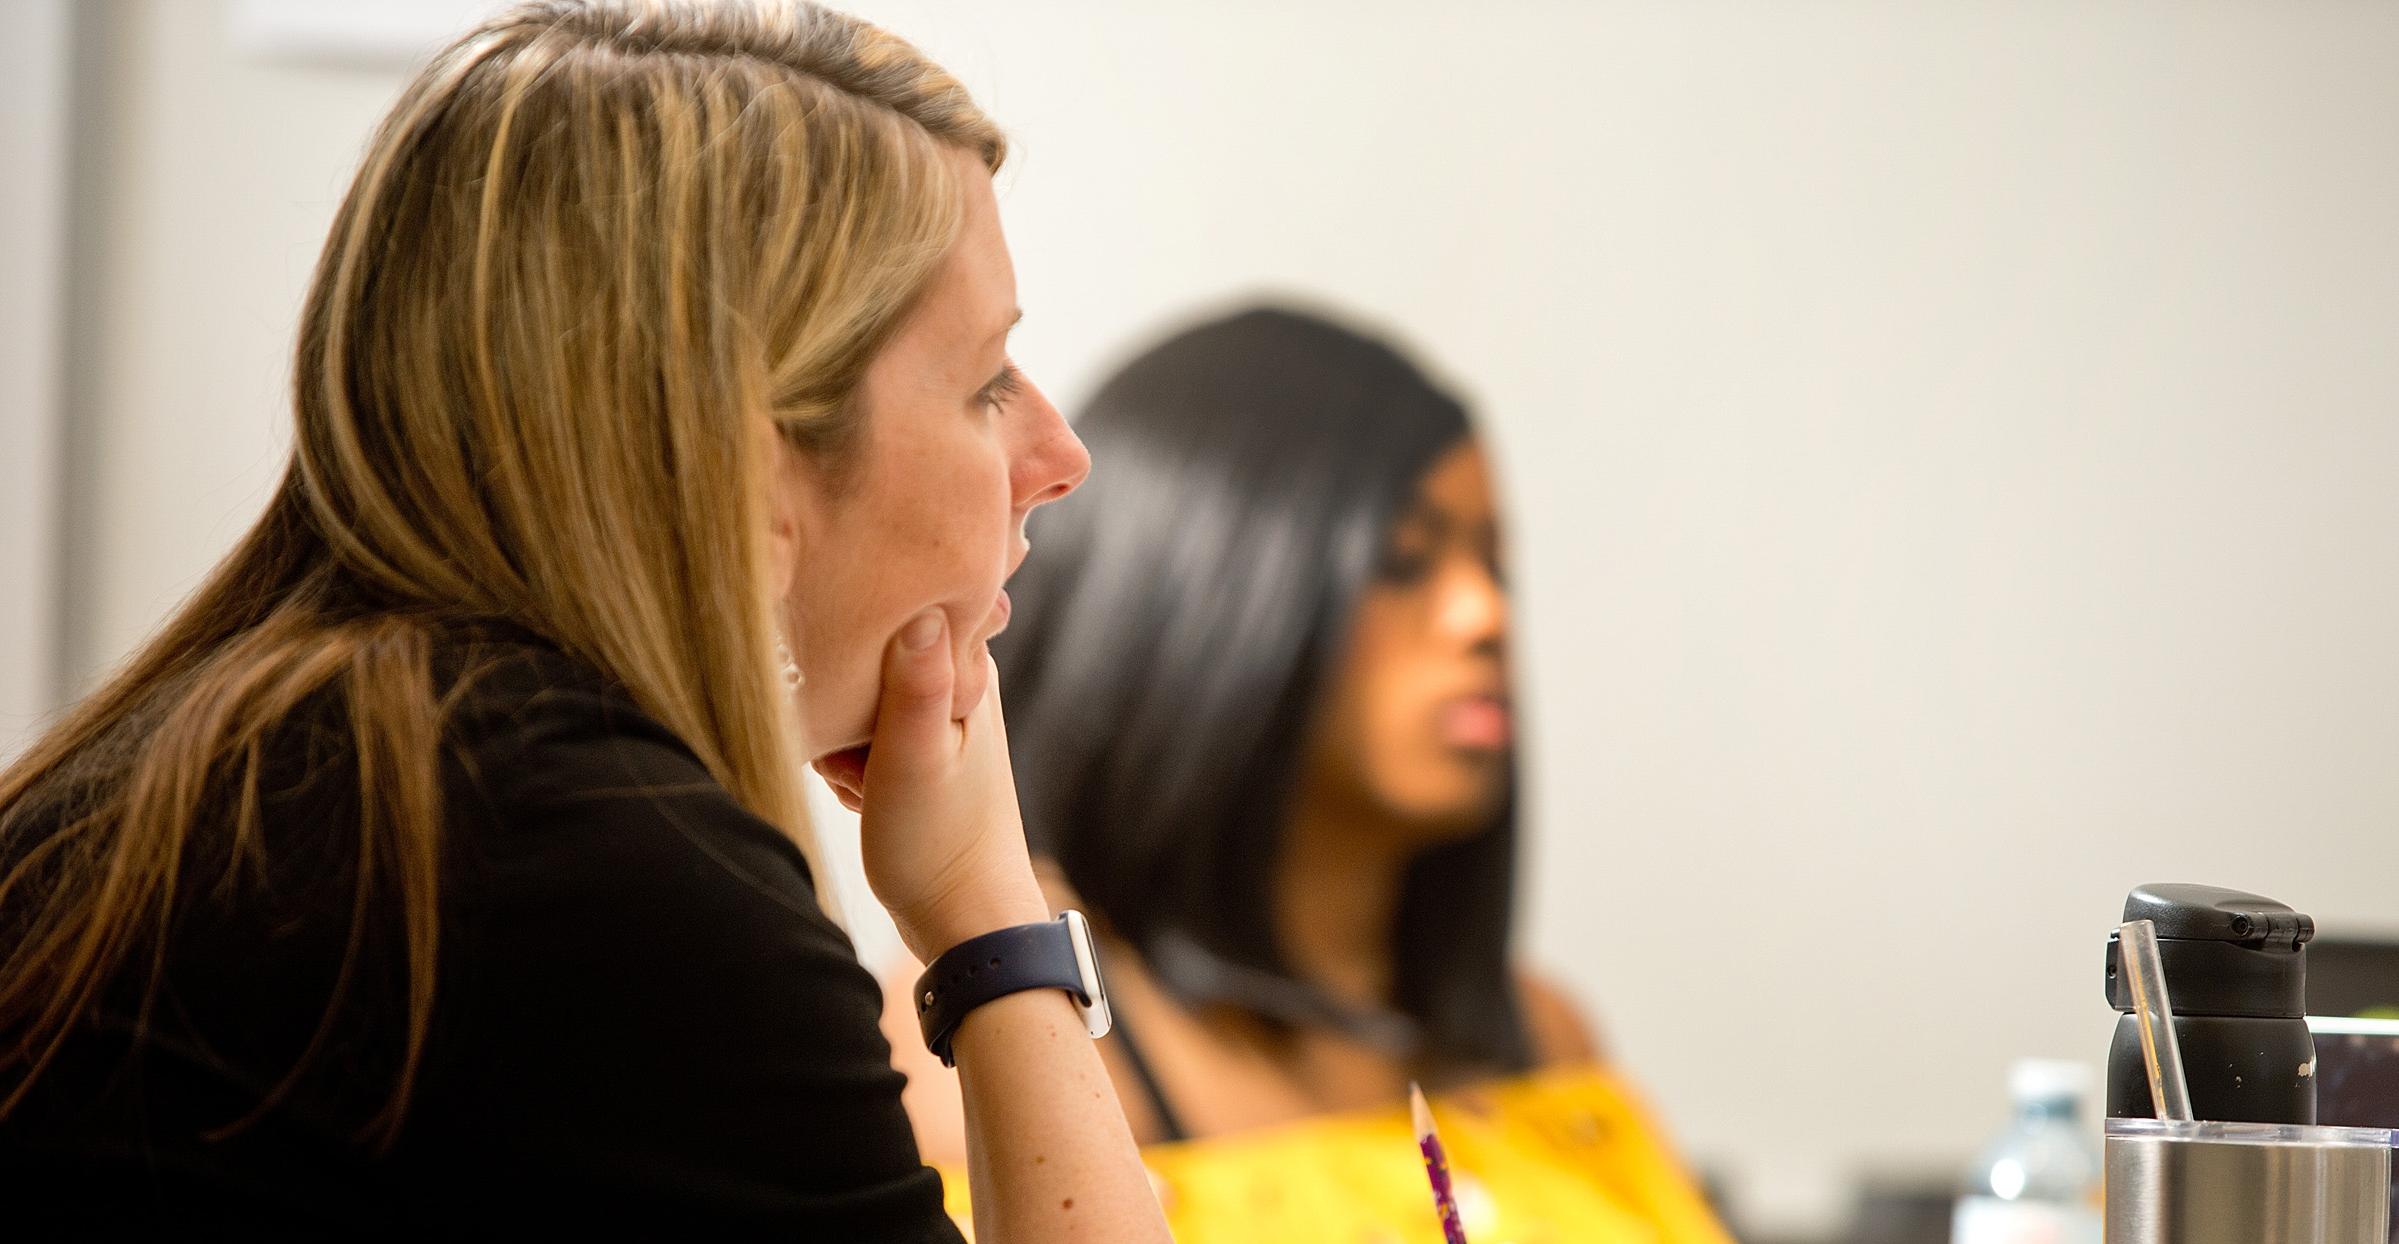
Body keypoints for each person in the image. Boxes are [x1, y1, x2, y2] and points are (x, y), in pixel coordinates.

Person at [0, 3, 1169, 1240]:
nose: (1059, 453)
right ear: (747, 465)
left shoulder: (288, 760)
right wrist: (984, 910)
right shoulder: (580, 868)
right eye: (988, 381)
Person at [886, 306, 1732, 1241]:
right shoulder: (1008, 1028)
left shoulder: (1540, 1033)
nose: (1482, 614)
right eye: (1405, 561)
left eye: (1494, 564)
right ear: (1197, 595)